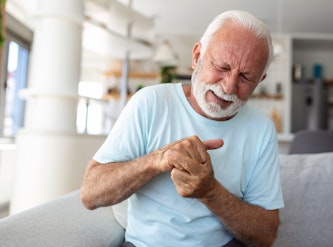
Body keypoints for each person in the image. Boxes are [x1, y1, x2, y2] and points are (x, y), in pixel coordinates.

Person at [81, 9, 284, 247]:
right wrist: (158, 160)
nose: (229, 87)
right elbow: (91, 193)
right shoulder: (150, 102)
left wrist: (210, 192)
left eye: (246, 78)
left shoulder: (261, 129)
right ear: (197, 56)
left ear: (259, 81)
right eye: (222, 67)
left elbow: (266, 235)